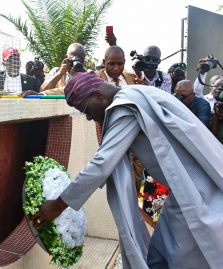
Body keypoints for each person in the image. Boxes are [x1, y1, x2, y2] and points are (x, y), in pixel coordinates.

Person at [32, 71, 223, 269]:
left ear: (98, 96)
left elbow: (101, 164)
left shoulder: (124, 106)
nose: (89, 117)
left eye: (86, 110)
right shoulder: (138, 93)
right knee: (160, 252)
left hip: (194, 192)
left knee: (179, 257)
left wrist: (58, 205)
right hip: (190, 187)